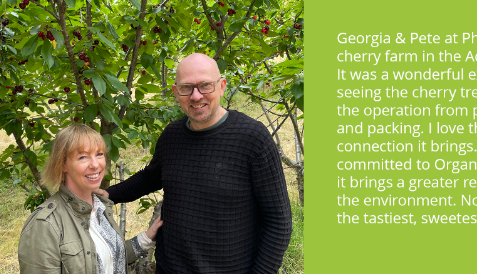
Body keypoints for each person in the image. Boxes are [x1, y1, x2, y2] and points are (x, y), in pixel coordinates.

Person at [96, 53, 293, 273]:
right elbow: (151, 177)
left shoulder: (253, 138)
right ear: (175, 92)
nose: (196, 96)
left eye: (205, 86)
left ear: (222, 86)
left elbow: (279, 223)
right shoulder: (172, 136)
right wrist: (108, 194)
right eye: (186, 88)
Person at [18, 124, 163, 274]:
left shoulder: (101, 207)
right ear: (62, 164)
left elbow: (108, 260)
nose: (95, 164)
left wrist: (145, 239)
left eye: (99, 154)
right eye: (83, 157)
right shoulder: (45, 224)